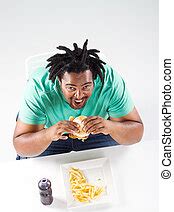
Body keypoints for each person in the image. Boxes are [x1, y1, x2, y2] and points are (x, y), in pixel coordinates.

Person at [13, 40, 144, 159]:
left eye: (86, 86)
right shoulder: (38, 89)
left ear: (94, 80)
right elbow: (21, 146)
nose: (79, 95)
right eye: (71, 88)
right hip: (49, 131)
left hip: (97, 130)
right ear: (59, 82)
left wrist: (110, 127)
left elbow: (136, 134)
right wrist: (48, 134)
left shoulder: (109, 83)